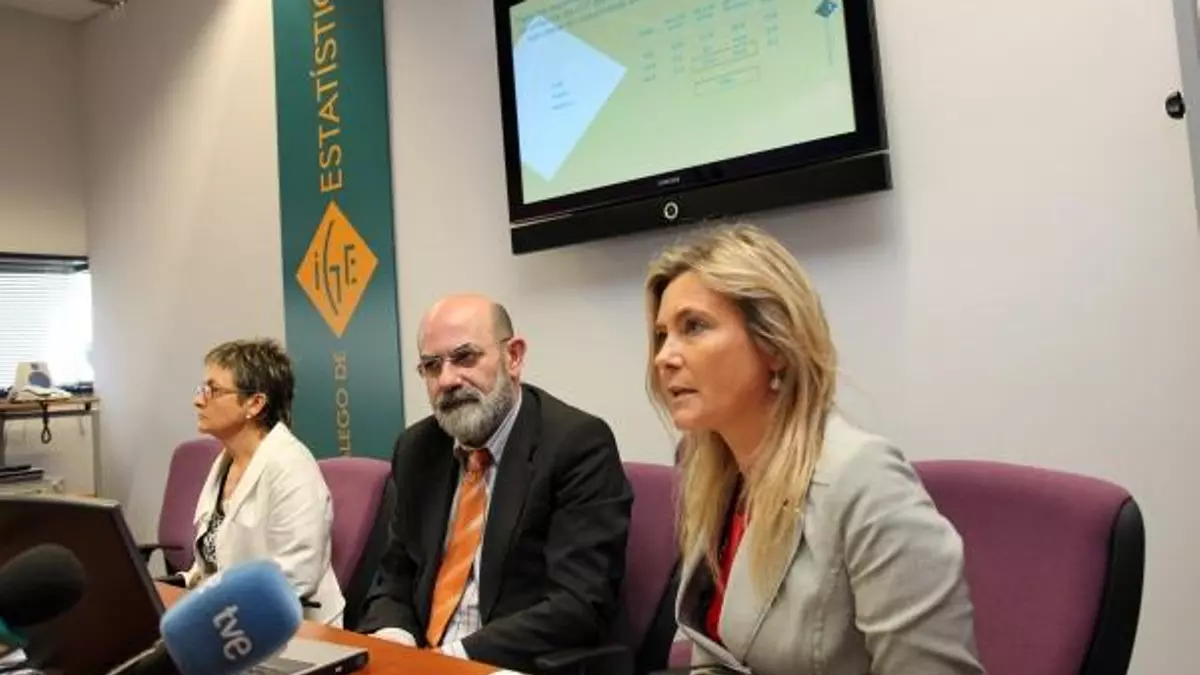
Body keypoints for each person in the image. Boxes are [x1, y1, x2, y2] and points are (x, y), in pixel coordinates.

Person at [646, 224, 985, 675]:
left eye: (694, 327)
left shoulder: (866, 481)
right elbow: (720, 655)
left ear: (775, 345)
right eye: (662, 335)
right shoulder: (714, 479)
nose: (664, 357)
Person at [358, 294, 633, 673]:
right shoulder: (418, 448)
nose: (447, 380)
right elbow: (396, 574)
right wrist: (395, 639)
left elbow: (578, 604)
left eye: (465, 357)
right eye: (432, 366)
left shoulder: (576, 444)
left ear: (513, 357)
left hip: (507, 663)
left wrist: (450, 660)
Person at [183, 338, 345, 626]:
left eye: (213, 391)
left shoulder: (292, 466)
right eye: (201, 389)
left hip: (292, 629)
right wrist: (186, 584)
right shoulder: (225, 462)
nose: (199, 400)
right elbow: (215, 556)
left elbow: (295, 577)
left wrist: (214, 615)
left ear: (255, 404)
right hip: (229, 622)